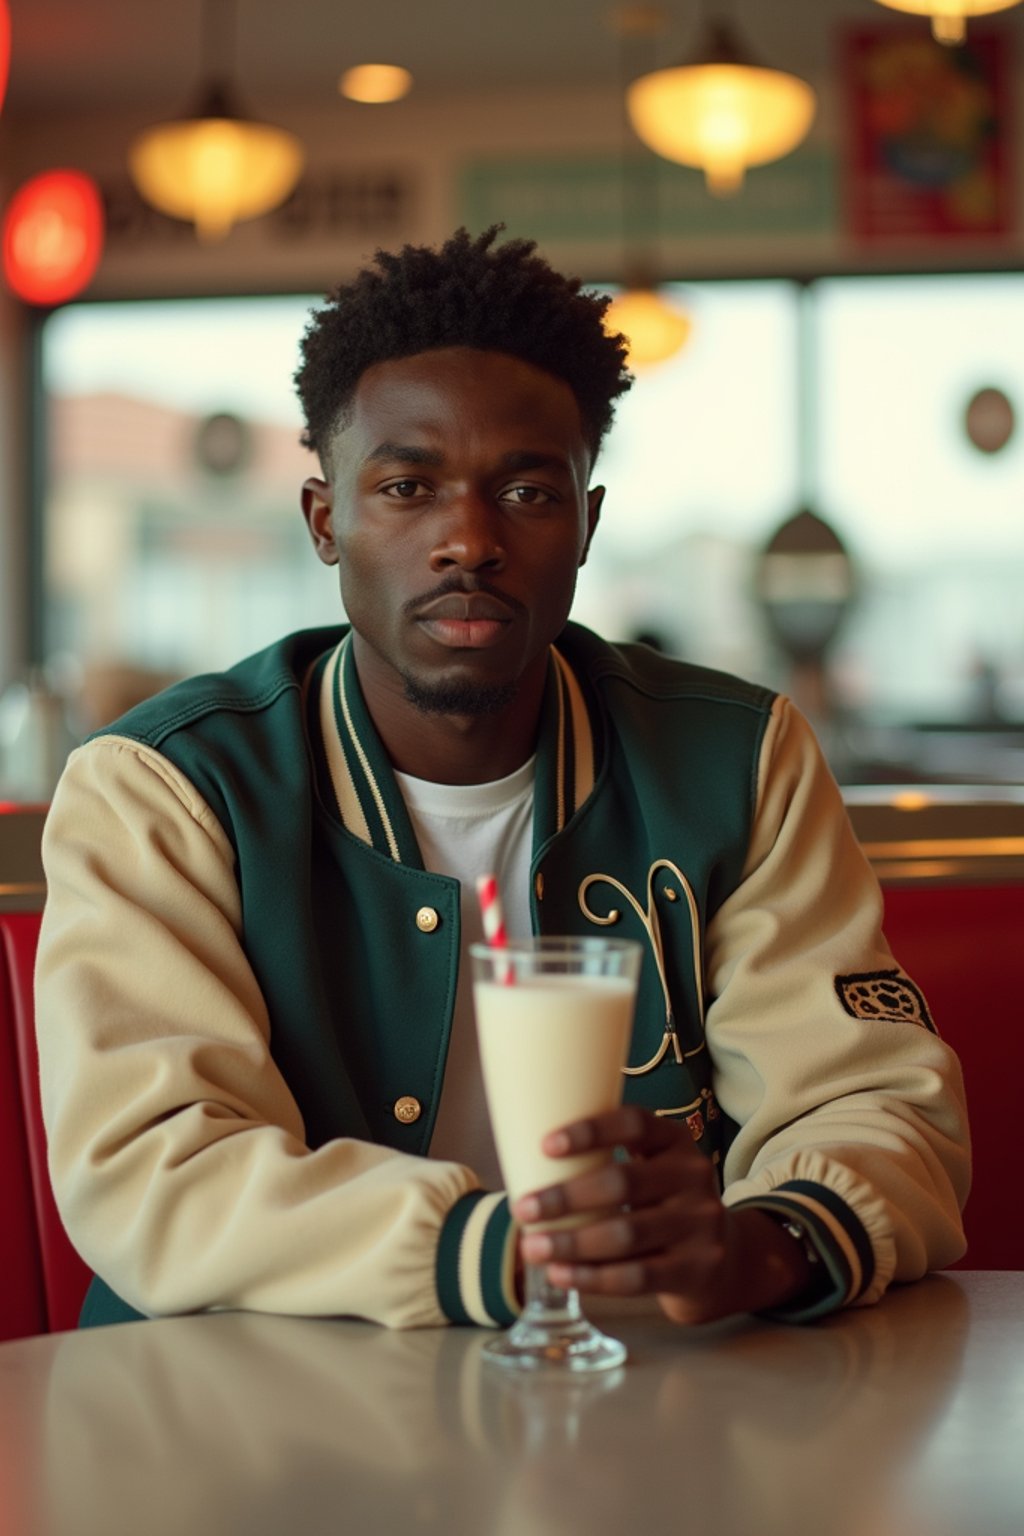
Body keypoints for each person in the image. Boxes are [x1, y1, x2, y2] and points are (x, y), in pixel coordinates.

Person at [35, 228, 968, 1333]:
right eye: (406, 486)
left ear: (587, 522)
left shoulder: (738, 760)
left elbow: (872, 1100)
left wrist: (754, 1248)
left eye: (525, 491)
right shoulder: (163, 789)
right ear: (326, 520)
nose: (466, 540)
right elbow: (154, 1170)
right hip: (238, 1427)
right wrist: (505, 1253)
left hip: (641, 1421)